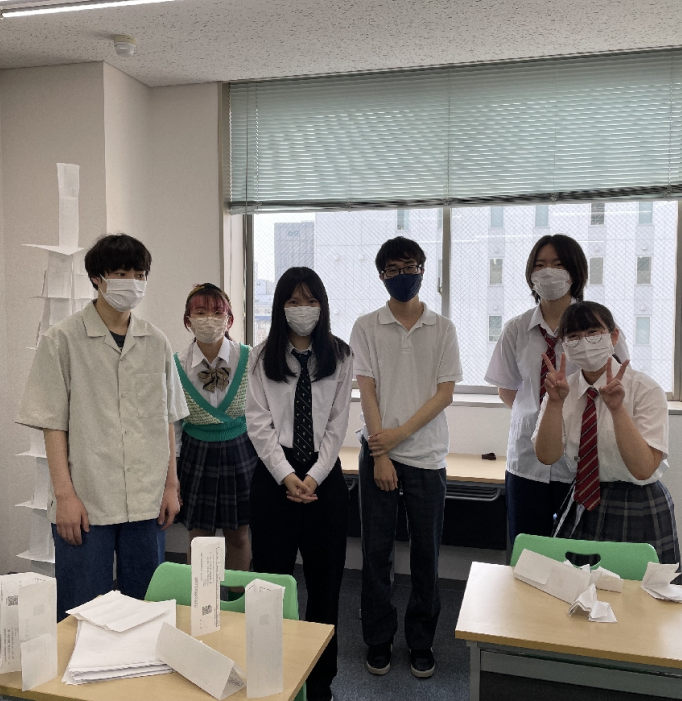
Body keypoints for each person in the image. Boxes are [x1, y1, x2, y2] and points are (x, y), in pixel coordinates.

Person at [16, 233, 188, 618]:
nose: (132, 282)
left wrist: (171, 486)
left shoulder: (156, 342)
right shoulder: (62, 340)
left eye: (140, 275)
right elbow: (52, 425)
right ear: (97, 277)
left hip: (146, 499)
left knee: (146, 609)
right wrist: (65, 496)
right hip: (86, 499)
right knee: (82, 610)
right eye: (121, 273)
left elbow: (166, 419)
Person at [351, 236, 463, 680]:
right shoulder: (366, 326)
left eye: (411, 266)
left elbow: (445, 393)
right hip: (379, 454)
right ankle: (378, 638)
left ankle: (421, 641)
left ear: (423, 269)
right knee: (376, 552)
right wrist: (382, 453)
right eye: (394, 269)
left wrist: (399, 435)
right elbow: (368, 390)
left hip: (427, 457)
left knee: (426, 555)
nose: (404, 275)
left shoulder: (443, 328)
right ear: (382, 275)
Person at [246, 267, 353, 701]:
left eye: (310, 300)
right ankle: (268, 672)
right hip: (275, 479)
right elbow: (258, 423)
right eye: (293, 301)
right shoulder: (260, 357)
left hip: (323, 479)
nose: (302, 309)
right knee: (269, 585)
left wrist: (312, 477)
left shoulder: (340, 355)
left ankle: (320, 681)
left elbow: (337, 425)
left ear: (322, 306)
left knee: (325, 587)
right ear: (280, 307)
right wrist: (287, 475)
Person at [484, 234, 630, 546]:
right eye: (540, 265)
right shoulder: (516, 329)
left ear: (575, 273)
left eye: (558, 264)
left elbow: (619, 381)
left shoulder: (599, 325)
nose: (548, 271)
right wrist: (541, 421)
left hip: (582, 461)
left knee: (579, 555)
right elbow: (507, 389)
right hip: (526, 461)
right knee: (528, 554)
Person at [533, 301, 681, 579]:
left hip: (637, 501)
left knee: (640, 595)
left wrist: (616, 409)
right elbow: (547, 456)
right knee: (573, 589)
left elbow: (643, 468)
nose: (584, 342)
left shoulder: (645, 389)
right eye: (573, 336)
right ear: (564, 346)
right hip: (583, 499)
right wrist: (554, 403)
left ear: (613, 336)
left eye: (593, 332)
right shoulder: (561, 389)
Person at [173, 283, 256, 571]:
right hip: (195, 454)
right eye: (200, 312)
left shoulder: (249, 358)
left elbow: (262, 412)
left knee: (239, 536)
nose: (209, 318)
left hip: (241, 452)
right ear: (188, 320)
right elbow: (174, 425)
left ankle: (237, 595)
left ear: (229, 319)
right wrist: (172, 473)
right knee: (199, 537)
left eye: (217, 312)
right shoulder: (177, 364)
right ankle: (201, 596)